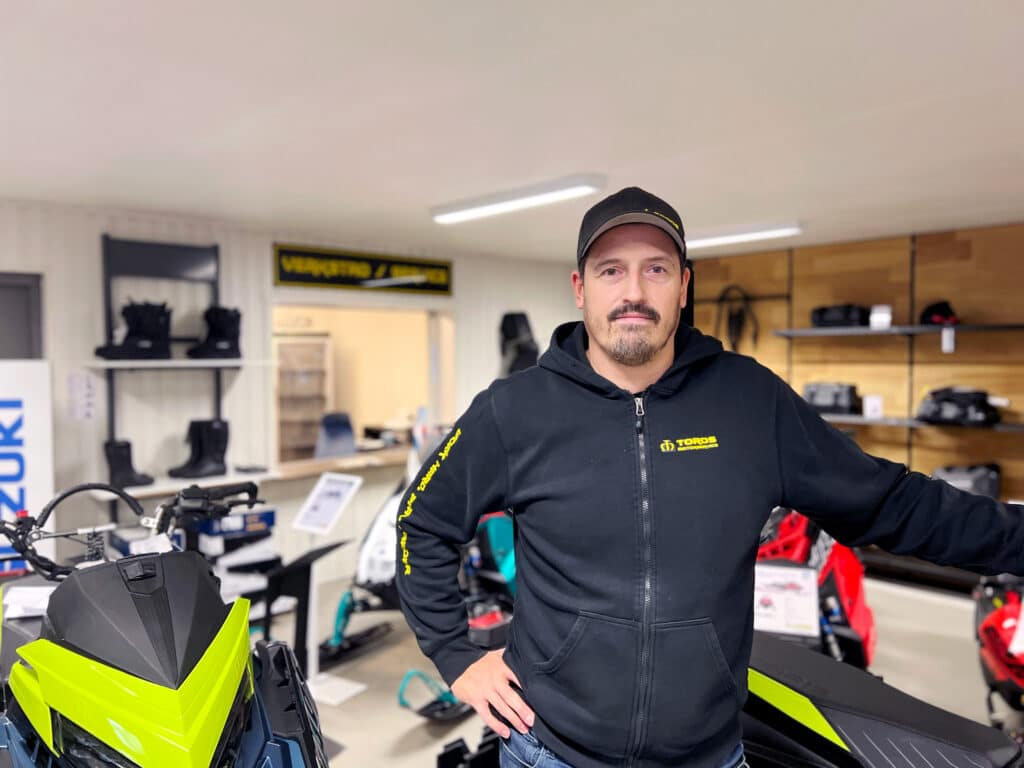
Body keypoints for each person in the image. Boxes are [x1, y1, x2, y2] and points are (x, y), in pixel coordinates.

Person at [396, 186, 1024, 768]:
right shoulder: (514, 411)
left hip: (708, 755)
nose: (634, 290)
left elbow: (895, 502)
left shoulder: (750, 403)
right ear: (580, 289)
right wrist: (456, 657)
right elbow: (420, 521)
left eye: (657, 269)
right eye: (611, 270)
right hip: (549, 752)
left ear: (684, 286)